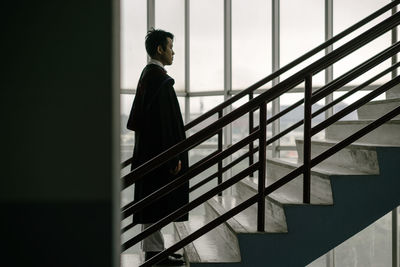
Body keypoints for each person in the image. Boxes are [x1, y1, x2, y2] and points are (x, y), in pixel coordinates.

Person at [127, 29, 188, 266]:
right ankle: (155, 255)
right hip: (158, 154)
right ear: (160, 49)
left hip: (148, 152)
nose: (173, 52)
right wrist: (172, 159)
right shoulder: (158, 80)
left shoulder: (149, 76)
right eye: (170, 47)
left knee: (152, 200)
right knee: (156, 200)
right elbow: (163, 124)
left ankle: (155, 250)